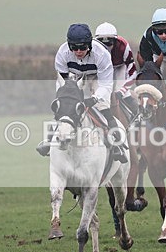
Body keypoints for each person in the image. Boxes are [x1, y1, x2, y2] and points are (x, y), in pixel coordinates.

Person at [36, 23, 127, 162]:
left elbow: (106, 84)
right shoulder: (62, 53)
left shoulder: (101, 54)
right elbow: (62, 81)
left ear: (89, 44)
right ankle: (49, 141)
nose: (78, 51)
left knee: (103, 107)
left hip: (97, 78)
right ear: (69, 45)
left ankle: (117, 144)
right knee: (64, 107)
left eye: (83, 47)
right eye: (74, 47)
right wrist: (64, 98)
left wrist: (95, 99)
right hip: (73, 78)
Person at [94, 22, 139, 118]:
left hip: (119, 67)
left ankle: (138, 116)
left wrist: (122, 91)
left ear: (116, 40)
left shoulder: (123, 46)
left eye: (109, 42)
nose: (106, 46)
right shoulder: (93, 48)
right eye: (102, 43)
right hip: (101, 70)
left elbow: (133, 72)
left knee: (122, 93)